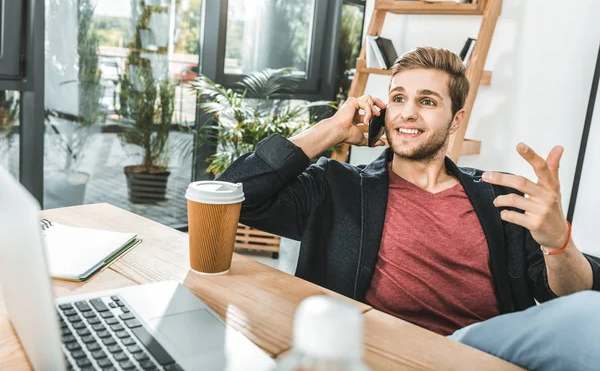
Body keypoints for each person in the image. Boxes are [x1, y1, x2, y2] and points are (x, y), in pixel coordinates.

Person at [217, 47, 600, 370]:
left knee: (589, 317)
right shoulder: (337, 186)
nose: (408, 112)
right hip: (372, 354)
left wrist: (558, 242)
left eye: (428, 101)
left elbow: (570, 298)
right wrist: (332, 130)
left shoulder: (496, 195)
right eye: (398, 98)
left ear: (456, 121)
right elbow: (234, 194)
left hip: (472, 354)